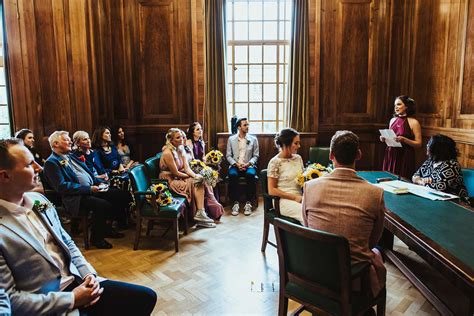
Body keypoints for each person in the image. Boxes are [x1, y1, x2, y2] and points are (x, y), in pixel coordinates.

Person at [0, 138, 157, 315]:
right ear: (5, 176)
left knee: (145, 297)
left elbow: (67, 242)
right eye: (29, 165)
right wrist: (73, 298)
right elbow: (9, 301)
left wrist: (88, 275)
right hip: (51, 301)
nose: (39, 168)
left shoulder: (39, 200)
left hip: (77, 279)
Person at [303, 130, 386, 298]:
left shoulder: (310, 187)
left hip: (316, 269)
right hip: (353, 275)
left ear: (331, 155)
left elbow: (307, 227)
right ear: (359, 155)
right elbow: (373, 240)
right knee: (377, 252)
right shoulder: (375, 193)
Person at [43, 131, 124, 249]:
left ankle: (106, 228)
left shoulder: (70, 156)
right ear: (55, 144)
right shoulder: (52, 162)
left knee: (119, 195)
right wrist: (89, 189)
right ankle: (97, 239)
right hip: (74, 197)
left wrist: (99, 183)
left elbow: (87, 172)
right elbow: (62, 186)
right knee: (102, 205)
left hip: (89, 189)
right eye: (66, 140)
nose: (70, 141)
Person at [159, 128, 216, 228]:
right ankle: (199, 214)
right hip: (169, 180)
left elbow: (187, 168)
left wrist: (195, 175)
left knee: (199, 180)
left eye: (181, 136)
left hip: (179, 176)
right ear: (171, 140)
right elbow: (175, 173)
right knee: (195, 182)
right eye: (178, 137)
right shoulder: (167, 153)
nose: (181, 139)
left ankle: (200, 213)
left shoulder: (181, 149)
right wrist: (191, 177)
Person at [413, 134, 468, 201]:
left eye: (429, 144)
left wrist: (421, 181)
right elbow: (415, 176)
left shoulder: (452, 164)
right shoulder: (430, 161)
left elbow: (439, 187)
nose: (427, 145)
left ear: (438, 149)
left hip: (455, 202)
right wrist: (423, 181)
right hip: (432, 197)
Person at [267, 128, 304, 223]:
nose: (299, 146)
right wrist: (294, 197)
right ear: (285, 144)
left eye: (299, 143)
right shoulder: (275, 162)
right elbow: (271, 190)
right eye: (296, 143)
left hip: (301, 197)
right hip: (283, 200)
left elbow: (303, 179)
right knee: (305, 213)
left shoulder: (298, 158)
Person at [381, 95, 422, 179]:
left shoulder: (414, 122)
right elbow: (391, 138)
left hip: (405, 155)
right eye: (395, 105)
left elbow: (419, 144)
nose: (396, 107)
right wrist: (384, 138)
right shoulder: (392, 120)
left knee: (403, 180)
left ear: (406, 106)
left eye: (399, 104)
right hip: (391, 153)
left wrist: (404, 139)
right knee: (388, 179)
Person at [226, 118, 259, 216]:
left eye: (248, 125)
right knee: (232, 175)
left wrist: (248, 164)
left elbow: (256, 156)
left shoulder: (253, 139)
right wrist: (236, 164)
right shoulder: (231, 139)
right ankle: (235, 203)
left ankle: (248, 202)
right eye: (245, 125)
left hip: (249, 166)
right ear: (239, 127)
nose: (247, 127)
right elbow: (228, 155)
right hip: (235, 165)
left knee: (250, 175)